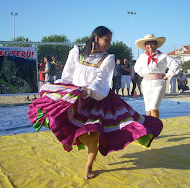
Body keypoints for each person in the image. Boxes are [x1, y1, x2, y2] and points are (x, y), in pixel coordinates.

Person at [28, 27, 163, 180]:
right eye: (107, 40)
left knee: (94, 134)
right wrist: (59, 92)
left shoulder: (108, 59)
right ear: (96, 38)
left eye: (110, 41)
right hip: (77, 98)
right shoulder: (76, 52)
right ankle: (81, 142)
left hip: (100, 99)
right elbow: (67, 76)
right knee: (55, 119)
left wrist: (89, 91)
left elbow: (101, 82)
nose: (109, 44)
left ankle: (89, 166)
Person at [134, 34, 180, 118]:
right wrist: (145, 75)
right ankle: (149, 129)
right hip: (146, 83)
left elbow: (176, 65)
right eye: (148, 44)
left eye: (152, 44)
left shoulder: (162, 56)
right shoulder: (142, 57)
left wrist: (167, 75)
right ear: (145, 46)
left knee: (154, 108)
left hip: (158, 83)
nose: (150, 46)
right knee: (148, 109)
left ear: (156, 45)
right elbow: (137, 68)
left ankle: (156, 129)